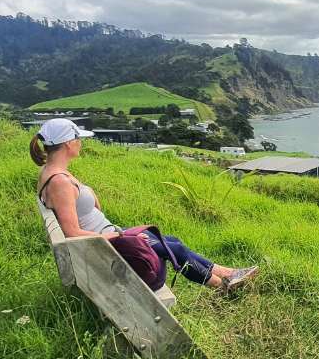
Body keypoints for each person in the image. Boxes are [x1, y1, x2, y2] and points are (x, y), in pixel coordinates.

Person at [30, 118, 256, 292]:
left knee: (172, 242)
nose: (82, 144)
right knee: (174, 248)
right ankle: (225, 281)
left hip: (108, 239)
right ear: (69, 143)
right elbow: (71, 232)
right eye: (79, 139)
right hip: (108, 247)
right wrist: (117, 236)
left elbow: (79, 208)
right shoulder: (59, 181)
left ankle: (226, 280)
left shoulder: (55, 173)